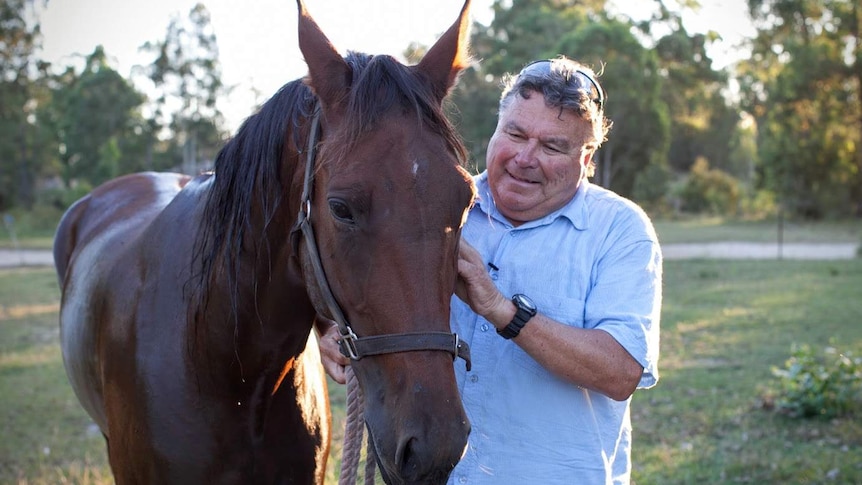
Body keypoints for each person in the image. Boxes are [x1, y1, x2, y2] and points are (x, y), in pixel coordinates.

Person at [318, 56, 662, 484]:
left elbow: (621, 371)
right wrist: (340, 334)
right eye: (514, 134)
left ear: (586, 157)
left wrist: (502, 309)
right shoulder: (435, 208)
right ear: (496, 129)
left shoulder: (620, 230)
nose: (525, 157)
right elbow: (380, 293)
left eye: (552, 146)